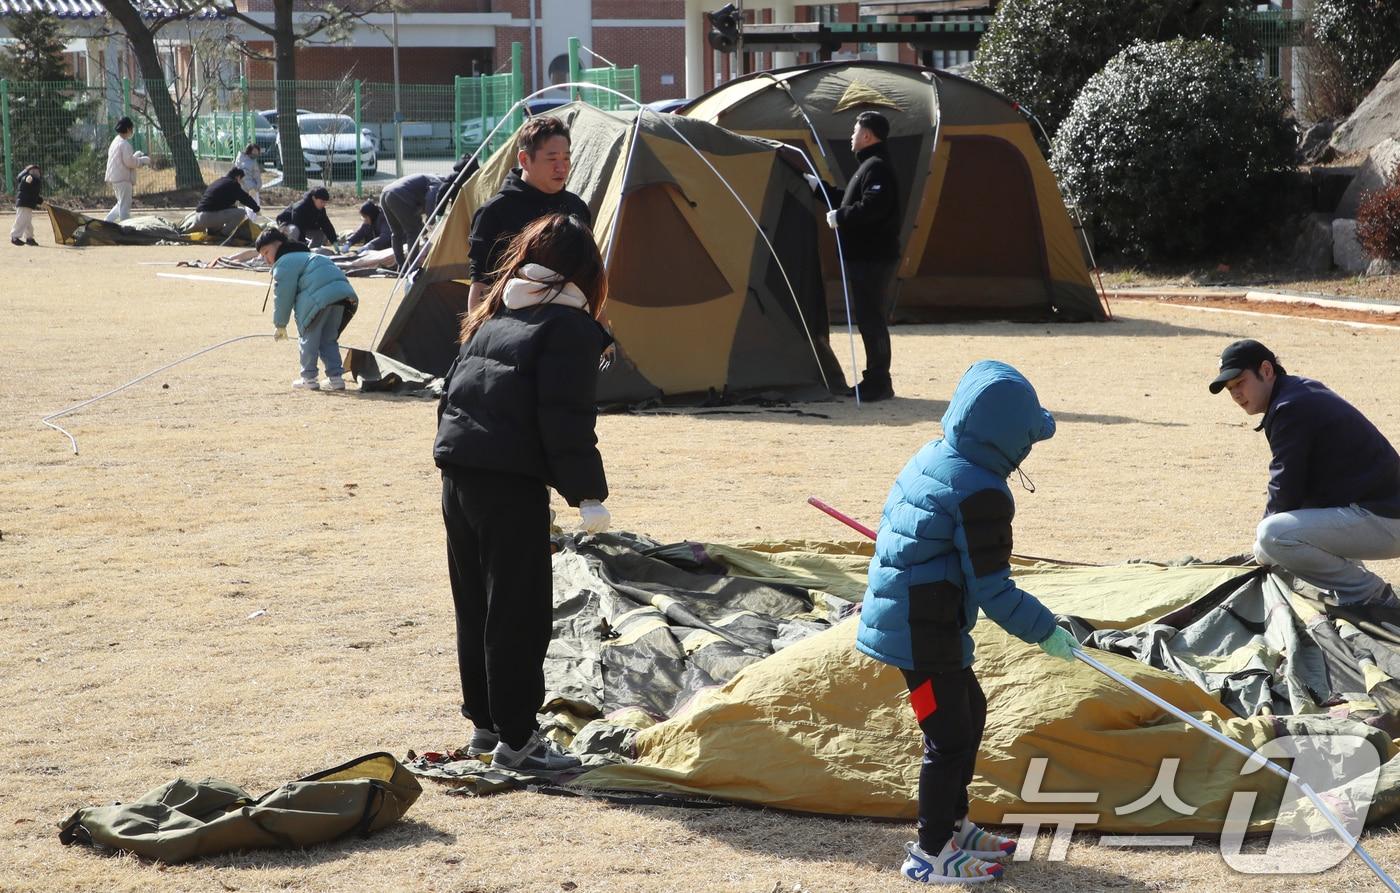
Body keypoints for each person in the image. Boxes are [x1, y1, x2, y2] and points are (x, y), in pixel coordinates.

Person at [856, 360, 1077, 885]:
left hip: (922, 616)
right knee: (948, 734)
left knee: (969, 709)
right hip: (920, 629)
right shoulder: (981, 491)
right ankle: (930, 852)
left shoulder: (938, 452)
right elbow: (994, 588)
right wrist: (1046, 630)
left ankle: (955, 824)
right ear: (1008, 438)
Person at [434, 213, 613, 772]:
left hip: (458, 472)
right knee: (518, 611)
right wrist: (588, 494)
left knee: (477, 606)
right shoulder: (570, 329)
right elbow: (566, 420)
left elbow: (452, 400)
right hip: (508, 485)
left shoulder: (495, 313)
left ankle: (486, 727)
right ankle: (517, 740)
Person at [1210, 339, 1400, 608]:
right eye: (1230, 389)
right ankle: (1360, 589)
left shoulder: (1290, 407)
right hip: (1380, 513)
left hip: (1387, 519)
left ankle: (1370, 594)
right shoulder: (1296, 392)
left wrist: (1264, 550)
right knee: (1284, 533)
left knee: (1271, 536)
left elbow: (1284, 488)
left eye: (1240, 382)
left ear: (1266, 370)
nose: (1236, 395)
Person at [808, 110, 901, 402]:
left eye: (855, 131)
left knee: (872, 319)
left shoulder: (878, 168)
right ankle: (875, 379)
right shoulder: (868, 166)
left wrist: (841, 216)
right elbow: (851, 200)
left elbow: (872, 207)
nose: (851, 136)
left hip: (873, 257)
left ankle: (878, 382)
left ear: (867, 136)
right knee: (868, 318)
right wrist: (818, 187)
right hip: (865, 257)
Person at [467, 116, 591, 310]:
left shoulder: (576, 207)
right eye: (552, 159)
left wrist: (602, 333)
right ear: (524, 159)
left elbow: (590, 276)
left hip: (571, 326)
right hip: (512, 326)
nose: (562, 167)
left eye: (566, 158)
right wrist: (476, 337)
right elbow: (481, 283)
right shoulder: (495, 212)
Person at [258, 227, 359, 391]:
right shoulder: (311, 255)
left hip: (318, 300)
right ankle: (336, 378)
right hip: (343, 297)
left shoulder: (284, 262)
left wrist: (280, 324)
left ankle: (309, 378)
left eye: (266, 252)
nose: (265, 259)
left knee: (309, 338)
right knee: (328, 339)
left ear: (278, 245)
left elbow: (283, 295)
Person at [378, 172, 445, 269]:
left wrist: (424, 229)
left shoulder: (426, 178)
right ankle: (413, 267)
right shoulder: (438, 182)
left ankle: (401, 266)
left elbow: (416, 214)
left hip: (385, 193)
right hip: (399, 195)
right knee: (413, 232)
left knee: (396, 233)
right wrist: (431, 219)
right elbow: (430, 198)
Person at [187, 167, 260, 238]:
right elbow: (245, 198)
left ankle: (213, 232)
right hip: (207, 217)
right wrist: (256, 209)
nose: (241, 183)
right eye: (241, 180)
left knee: (225, 212)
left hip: (198, 217)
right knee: (241, 212)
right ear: (238, 177)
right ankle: (223, 235)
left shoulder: (219, 181)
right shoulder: (233, 184)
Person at [105, 117, 149, 223]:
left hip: (115, 178)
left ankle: (107, 222)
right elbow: (129, 162)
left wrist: (135, 156)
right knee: (125, 205)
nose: (132, 131)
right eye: (131, 129)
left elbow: (124, 159)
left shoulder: (115, 141)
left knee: (121, 203)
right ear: (128, 129)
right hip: (123, 178)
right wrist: (141, 160)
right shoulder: (125, 144)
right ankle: (125, 227)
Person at [11, 163, 42, 247]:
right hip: (24, 203)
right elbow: (25, 184)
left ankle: (29, 238)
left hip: (28, 204)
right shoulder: (29, 177)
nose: (37, 172)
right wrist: (28, 179)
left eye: (37, 170)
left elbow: (32, 193)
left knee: (27, 223)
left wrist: (39, 200)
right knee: (21, 221)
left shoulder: (34, 180)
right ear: (29, 171)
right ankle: (14, 237)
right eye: (34, 170)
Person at [235, 143, 264, 219]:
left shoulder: (248, 160)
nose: (256, 153)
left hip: (250, 187)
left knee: (248, 207)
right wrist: (252, 188)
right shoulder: (246, 162)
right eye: (254, 151)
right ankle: (250, 224)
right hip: (250, 188)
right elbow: (245, 176)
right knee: (252, 207)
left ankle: (249, 222)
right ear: (249, 151)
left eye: (257, 151)